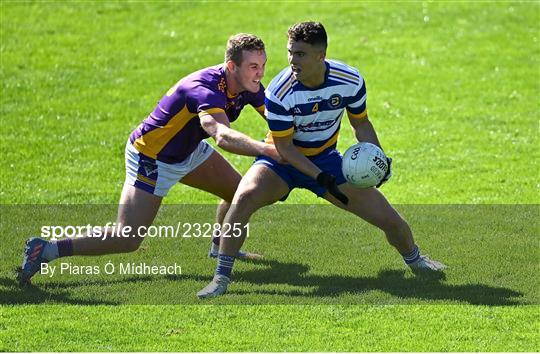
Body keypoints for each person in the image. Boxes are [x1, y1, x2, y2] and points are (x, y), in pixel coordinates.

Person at [197, 22, 446, 298]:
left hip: (326, 160)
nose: (292, 60)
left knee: (390, 220)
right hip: (281, 163)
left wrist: (378, 159)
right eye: (290, 52)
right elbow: (285, 147)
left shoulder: (349, 80)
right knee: (244, 198)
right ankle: (221, 278)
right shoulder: (279, 92)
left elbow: (361, 123)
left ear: (320, 55)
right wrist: (318, 176)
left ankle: (417, 261)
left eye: (300, 54)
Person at [17, 33, 279, 286]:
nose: (260, 72)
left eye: (263, 65)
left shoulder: (248, 84)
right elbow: (223, 136)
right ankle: (47, 249)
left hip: (187, 151)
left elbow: (277, 118)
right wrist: (268, 151)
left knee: (239, 194)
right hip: (152, 158)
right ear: (232, 66)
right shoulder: (205, 89)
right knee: (127, 238)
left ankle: (219, 248)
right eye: (254, 66)